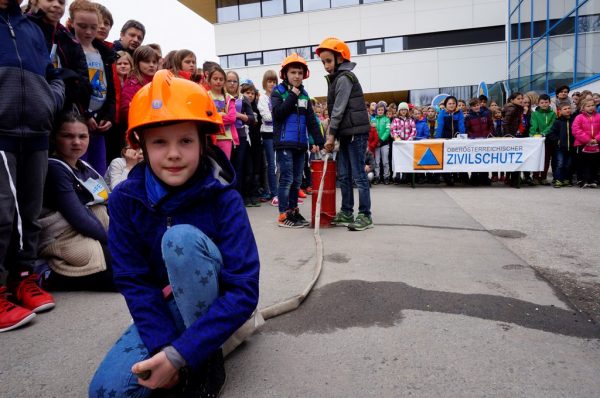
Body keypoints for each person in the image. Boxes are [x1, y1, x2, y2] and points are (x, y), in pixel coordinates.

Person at [89, 70, 260, 396]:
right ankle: (184, 348)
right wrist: (163, 347)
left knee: (179, 238)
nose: (173, 154)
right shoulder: (125, 200)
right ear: (139, 145)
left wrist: (183, 355)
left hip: (220, 306)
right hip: (163, 309)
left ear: (203, 141)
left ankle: (207, 358)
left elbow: (243, 289)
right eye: (159, 142)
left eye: (185, 140)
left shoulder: (224, 198)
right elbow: (133, 281)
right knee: (106, 391)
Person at [0, 0, 65, 332]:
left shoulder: (32, 29)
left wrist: (49, 103)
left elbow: (54, 74)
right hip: (2, 131)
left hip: (36, 133)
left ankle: (24, 279)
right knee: (2, 214)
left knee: (30, 212)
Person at [38, 111, 115, 291]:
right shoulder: (55, 168)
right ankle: (47, 275)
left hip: (88, 230)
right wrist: (113, 240)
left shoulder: (83, 165)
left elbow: (108, 201)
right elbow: (78, 217)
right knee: (119, 273)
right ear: (54, 138)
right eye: (68, 136)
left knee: (133, 259)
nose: (77, 142)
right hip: (61, 236)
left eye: (82, 136)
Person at [318, 37, 373, 231]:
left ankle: (365, 215)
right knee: (344, 175)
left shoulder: (344, 78)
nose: (325, 65)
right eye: (323, 61)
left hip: (356, 134)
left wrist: (330, 136)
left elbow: (338, 110)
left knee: (358, 175)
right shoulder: (336, 79)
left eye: (329, 61)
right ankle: (346, 211)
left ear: (340, 59)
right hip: (346, 133)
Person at [271, 53, 322, 228]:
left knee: (297, 180)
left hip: (301, 144)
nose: (297, 76)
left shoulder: (305, 95)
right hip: (284, 143)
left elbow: (312, 120)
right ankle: (283, 214)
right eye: (293, 72)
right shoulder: (278, 92)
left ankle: (293, 211)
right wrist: (292, 94)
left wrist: (319, 140)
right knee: (287, 179)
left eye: (300, 73)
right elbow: (278, 114)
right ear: (285, 73)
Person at [69, 0, 116, 176]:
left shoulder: (104, 53)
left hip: (99, 121)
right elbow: (71, 86)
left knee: (98, 167)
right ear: (71, 23)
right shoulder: (70, 49)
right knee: (79, 164)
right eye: (82, 26)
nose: (88, 32)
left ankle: (100, 200)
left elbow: (110, 90)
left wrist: (109, 115)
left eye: (93, 27)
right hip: (77, 119)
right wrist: (85, 114)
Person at [27, 0, 91, 115]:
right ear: (34, 1)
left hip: (62, 110)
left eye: (61, 2)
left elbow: (82, 79)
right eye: (49, 0)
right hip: (31, 108)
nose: (56, 5)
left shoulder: (70, 39)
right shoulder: (22, 29)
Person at [226, 71, 255, 200]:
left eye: (234, 81)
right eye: (229, 81)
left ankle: (238, 198)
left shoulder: (243, 98)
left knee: (239, 167)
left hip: (240, 135)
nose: (232, 84)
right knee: (227, 167)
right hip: (224, 136)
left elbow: (251, 118)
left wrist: (237, 115)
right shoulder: (221, 97)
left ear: (238, 83)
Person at [119, 45, 159, 125]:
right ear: (137, 63)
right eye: (147, 61)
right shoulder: (132, 83)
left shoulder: (159, 81)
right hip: (141, 126)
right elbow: (126, 110)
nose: (151, 65)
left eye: (154, 62)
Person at [206, 66, 238, 159]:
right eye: (215, 79)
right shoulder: (205, 96)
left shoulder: (229, 98)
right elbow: (205, 117)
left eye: (221, 79)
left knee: (224, 167)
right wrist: (220, 115)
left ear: (224, 81)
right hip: (209, 137)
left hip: (225, 138)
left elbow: (232, 118)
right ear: (209, 80)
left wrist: (214, 116)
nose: (218, 81)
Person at [257, 69, 279, 205]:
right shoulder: (263, 99)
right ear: (265, 83)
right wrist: (279, 116)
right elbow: (267, 117)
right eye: (269, 81)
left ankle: (281, 192)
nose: (272, 84)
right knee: (272, 164)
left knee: (281, 165)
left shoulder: (279, 97)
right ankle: (274, 193)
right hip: (268, 134)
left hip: (279, 133)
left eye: (274, 81)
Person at [436, 96, 465, 186]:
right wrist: (438, 139)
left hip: (456, 139)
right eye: (449, 103)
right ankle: (447, 177)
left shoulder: (459, 112)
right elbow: (440, 127)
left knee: (457, 158)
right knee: (446, 159)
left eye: (453, 103)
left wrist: (463, 137)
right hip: (446, 139)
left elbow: (461, 125)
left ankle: (457, 176)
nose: (451, 105)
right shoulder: (442, 113)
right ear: (446, 105)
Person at [530, 94, 557, 185]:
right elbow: (533, 125)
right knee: (537, 158)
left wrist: (544, 133)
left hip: (548, 139)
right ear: (538, 103)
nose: (544, 104)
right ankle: (535, 177)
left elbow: (552, 125)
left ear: (549, 103)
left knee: (546, 159)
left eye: (546, 102)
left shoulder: (553, 113)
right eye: (542, 102)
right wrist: (533, 134)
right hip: (537, 140)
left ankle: (543, 177)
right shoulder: (535, 113)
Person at [572, 98, 600, 188]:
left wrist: (596, 139)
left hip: (596, 144)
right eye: (588, 106)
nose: (591, 107)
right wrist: (588, 139)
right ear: (583, 107)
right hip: (582, 144)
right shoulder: (579, 117)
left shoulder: (599, 116)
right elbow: (576, 130)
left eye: (592, 105)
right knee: (582, 163)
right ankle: (582, 180)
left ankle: (592, 180)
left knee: (594, 162)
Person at [465, 98, 493, 186]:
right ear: (471, 107)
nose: (476, 107)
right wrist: (471, 136)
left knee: (485, 159)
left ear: (480, 105)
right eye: (474, 106)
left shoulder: (486, 114)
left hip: (485, 140)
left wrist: (488, 134)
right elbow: (467, 129)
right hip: (474, 142)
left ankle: (484, 177)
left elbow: (490, 125)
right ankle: (474, 177)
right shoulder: (469, 117)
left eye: (477, 105)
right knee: (475, 159)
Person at [547, 103, 576, 188]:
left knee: (569, 164)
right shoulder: (557, 121)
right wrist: (558, 141)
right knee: (560, 163)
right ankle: (558, 180)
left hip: (571, 147)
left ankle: (567, 179)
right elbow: (552, 133)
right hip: (560, 148)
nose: (567, 110)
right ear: (560, 111)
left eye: (568, 108)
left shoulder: (574, 121)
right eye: (565, 109)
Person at [390, 102, 416, 184]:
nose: (403, 111)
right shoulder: (395, 120)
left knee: (407, 160)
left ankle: (405, 178)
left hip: (408, 143)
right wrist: (397, 138)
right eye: (402, 110)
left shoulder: (410, 120)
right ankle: (397, 177)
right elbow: (393, 130)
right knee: (398, 160)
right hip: (398, 144)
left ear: (407, 111)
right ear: (399, 111)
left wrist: (409, 139)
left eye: (405, 109)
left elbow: (414, 131)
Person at [371, 101, 391, 185]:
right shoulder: (373, 119)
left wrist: (381, 140)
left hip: (384, 143)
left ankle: (386, 177)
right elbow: (372, 131)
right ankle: (377, 177)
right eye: (379, 110)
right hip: (376, 144)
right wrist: (376, 141)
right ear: (376, 110)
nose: (380, 111)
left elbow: (388, 130)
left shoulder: (387, 119)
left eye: (382, 110)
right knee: (377, 162)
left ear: (384, 110)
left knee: (385, 161)